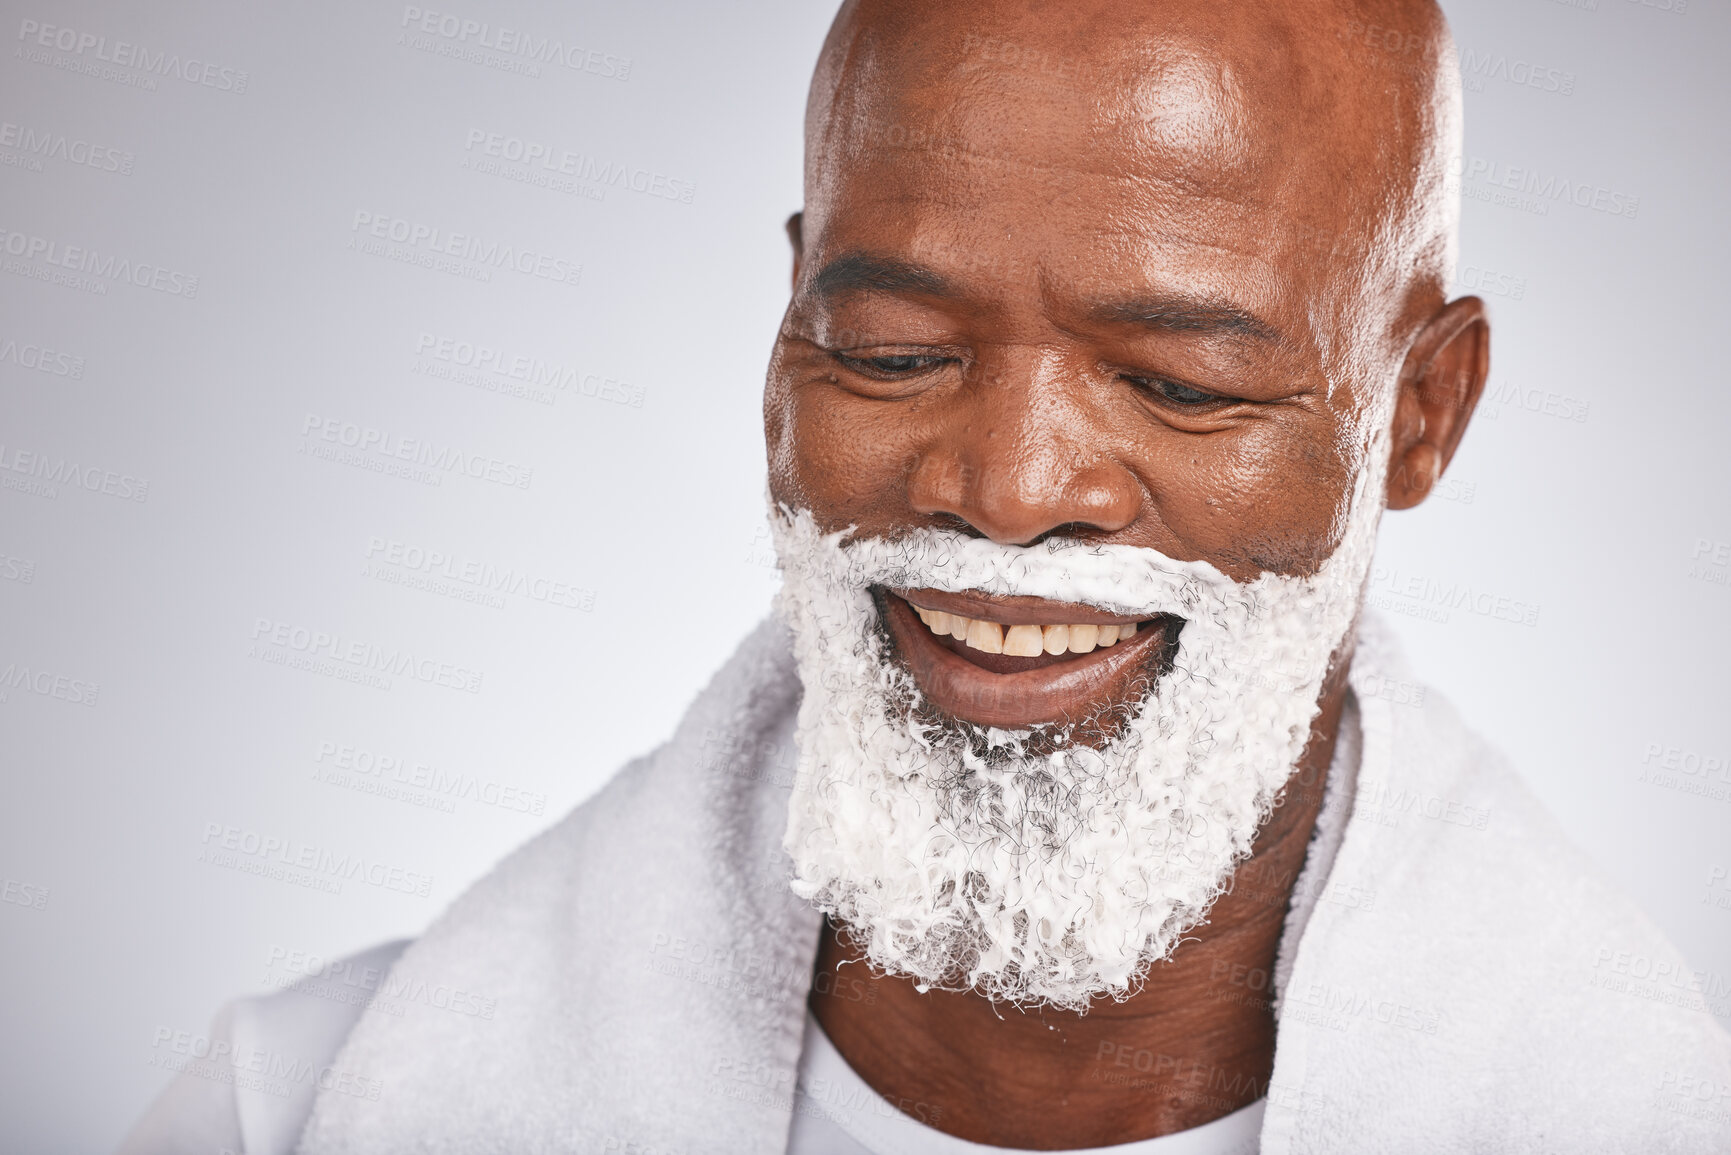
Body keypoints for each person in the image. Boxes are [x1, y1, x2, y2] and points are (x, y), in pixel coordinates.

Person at [120, 0, 1731, 1151]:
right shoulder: (297, 1111)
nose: (1010, 493)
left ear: (1420, 416)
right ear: (781, 358)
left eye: (1178, 381)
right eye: (893, 354)